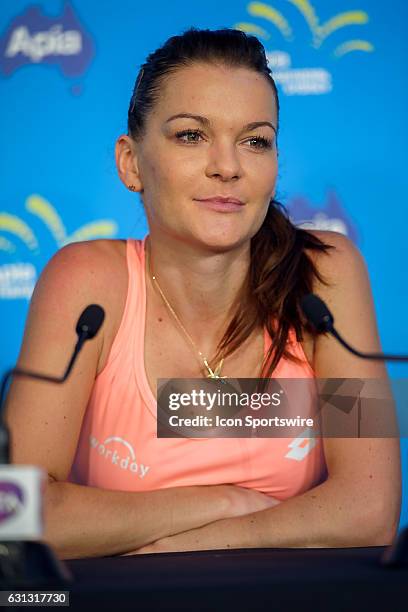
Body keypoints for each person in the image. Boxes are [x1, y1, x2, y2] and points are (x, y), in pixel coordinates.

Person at [5, 28, 401, 559]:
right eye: (192, 135)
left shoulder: (326, 275)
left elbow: (370, 509)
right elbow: (19, 512)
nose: (228, 166)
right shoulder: (85, 283)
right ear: (130, 163)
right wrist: (224, 502)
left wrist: (175, 546)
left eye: (255, 140)